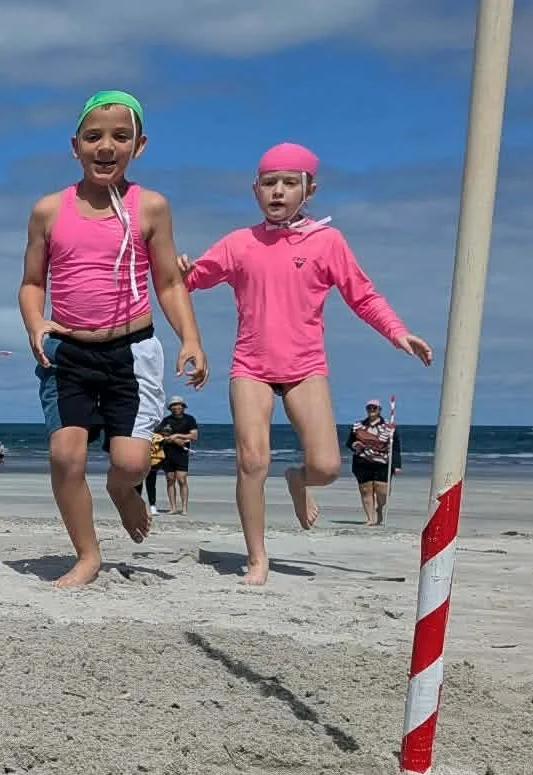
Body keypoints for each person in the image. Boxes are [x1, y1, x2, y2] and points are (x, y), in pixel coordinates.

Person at [178, 142, 433, 583]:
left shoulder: (326, 242)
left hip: (305, 366)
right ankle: (257, 557)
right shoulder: (239, 243)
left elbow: (362, 294)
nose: (278, 192)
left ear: (308, 189)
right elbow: (189, 281)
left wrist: (396, 330)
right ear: (255, 190)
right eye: (269, 183)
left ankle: (297, 479)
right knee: (252, 461)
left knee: (328, 467)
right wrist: (182, 269)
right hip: (250, 366)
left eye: (289, 184)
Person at [20, 90, 208, 588]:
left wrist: (190, 337)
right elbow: (32, 282)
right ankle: (87, 555)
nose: (106, 146)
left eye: (120, 137)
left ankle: (124, 493)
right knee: (66, 455)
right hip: (69, 349)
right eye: (94, 136)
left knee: (128, 463)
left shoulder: (150, 207)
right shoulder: (47, 210)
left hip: (132, 350)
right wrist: (36, 323)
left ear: (138, 146)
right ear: (75, 146)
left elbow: (169, 281)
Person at [347, 399, 396, 525]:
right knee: (365, 490)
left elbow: (396, 446)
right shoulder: (358, 425)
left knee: (382, 491)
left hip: (383, 462)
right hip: (362, 461)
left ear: (379, 410)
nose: (371, 410)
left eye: (374, 408)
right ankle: (370, 518)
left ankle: (379, 508)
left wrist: (397, 464)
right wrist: (354, 444)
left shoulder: (388, 426)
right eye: (369, 408)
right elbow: (349, 442)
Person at [153, 397, 199, 515]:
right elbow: (158, 435)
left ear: (183, 406)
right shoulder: (166, 420)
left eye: (179, 405)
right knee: (170, 480)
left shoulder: (190, 419)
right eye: (174, 405)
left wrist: (176, 436)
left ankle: (184, 508)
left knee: (182, 479)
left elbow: (194, 436)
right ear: (170, 408)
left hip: (182, 453)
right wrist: (171, 439)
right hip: (167, 453)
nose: (177, 407)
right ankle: (172, 508)